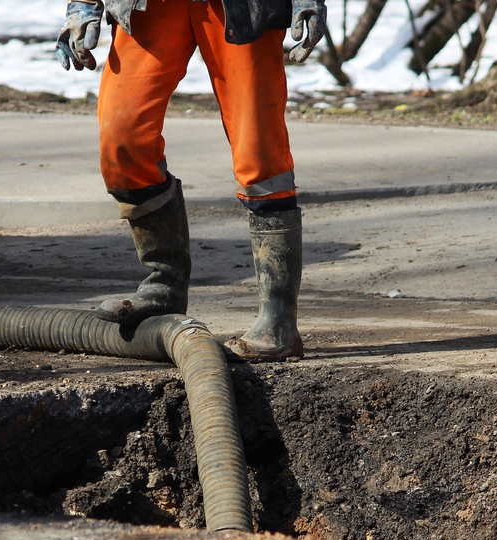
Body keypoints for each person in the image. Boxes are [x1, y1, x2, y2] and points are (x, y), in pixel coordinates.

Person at [56, 0, 325, 362]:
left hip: (240, 7)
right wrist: (82, 5)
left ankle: (278, 322)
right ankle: (164, 285)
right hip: (152, 7)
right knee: (122, 138)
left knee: (259, 151)